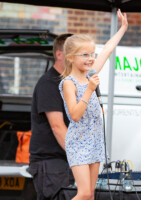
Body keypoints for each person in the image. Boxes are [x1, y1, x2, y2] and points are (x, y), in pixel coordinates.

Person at [59, 9, 128, 200]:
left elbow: (107, 49)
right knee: (84, 193)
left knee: (91, 195)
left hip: (95, 140)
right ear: (70, 57)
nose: (90, 58)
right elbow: (74, 114)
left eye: (92, 54)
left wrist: (123, 28)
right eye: (85, 54)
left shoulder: (91, 73)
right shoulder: (68, 83)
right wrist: (89, 90)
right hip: (79, 141)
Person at [28, 33, 74, 200]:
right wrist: (78, 156)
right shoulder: (49, 83)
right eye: (73, 52)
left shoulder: (67, 82)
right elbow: (57, 127)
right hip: (51, 164)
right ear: (59, 54)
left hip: (61, 162)